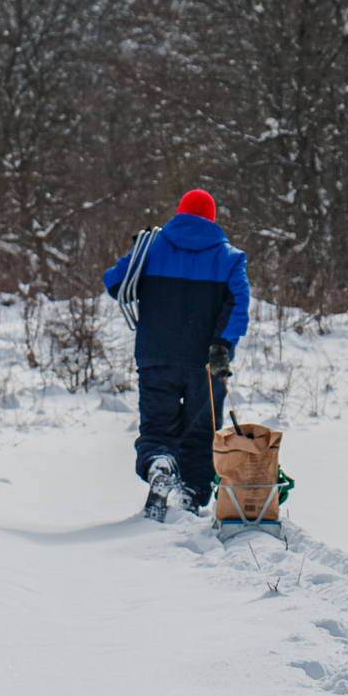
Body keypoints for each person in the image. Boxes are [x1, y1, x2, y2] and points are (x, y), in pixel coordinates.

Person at [102, 189, 249, 514]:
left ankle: (159, 467)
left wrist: (140, 252)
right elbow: (238, 305)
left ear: (180, 212)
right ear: (212, 218)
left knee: (157, 428)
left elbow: (114, 283)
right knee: (201, 433)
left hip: (156, 357)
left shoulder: (151, 247)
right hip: (206, 364)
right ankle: (191, 496)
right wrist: (223, 345)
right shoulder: (230, 258)